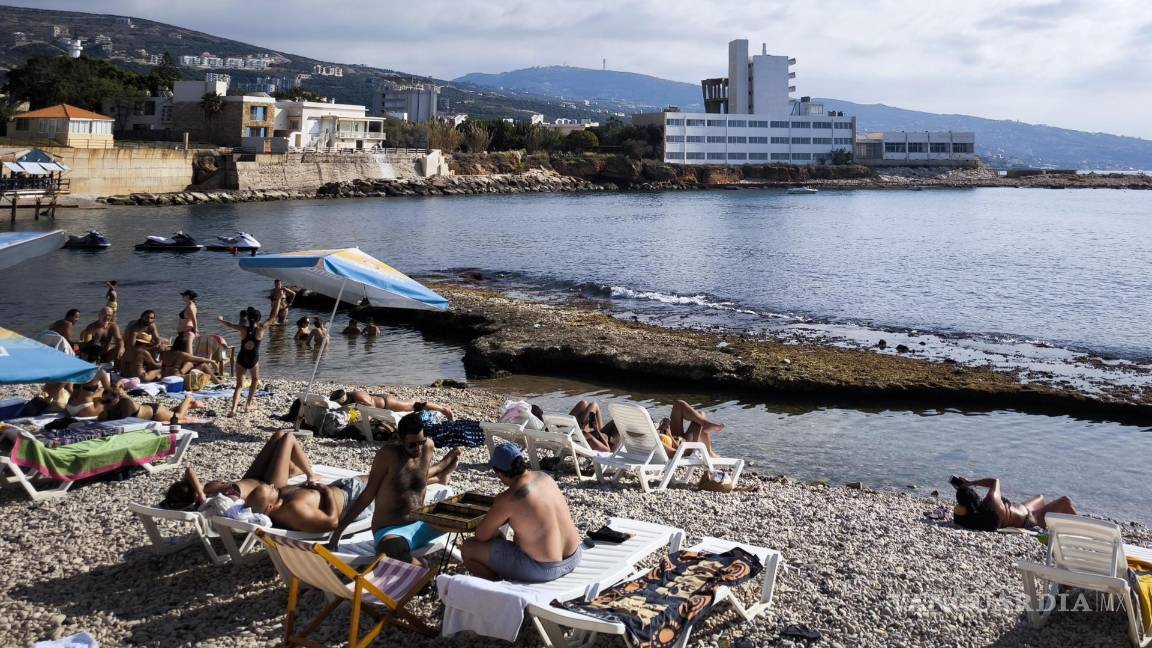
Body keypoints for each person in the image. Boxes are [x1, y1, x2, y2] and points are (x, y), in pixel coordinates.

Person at [327, 412, 460, 562]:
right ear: (400, 440)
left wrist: (445, 463)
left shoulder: (428, 447)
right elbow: (368, 494)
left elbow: (418, 477)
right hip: (391, 530)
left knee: (473, 519)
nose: (418, 448)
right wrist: (338, 532)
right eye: (412, 445)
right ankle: (423, 573)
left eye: (420, 442)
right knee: (393, 555)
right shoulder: (387, 456)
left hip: (421, 523)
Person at [461, 443, 583, 583]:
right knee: (516, 536)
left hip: (545, 570)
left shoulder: (509, 498)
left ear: (499, 473)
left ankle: (497, 591)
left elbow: (481, 536)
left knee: (468, 548)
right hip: (574, 556)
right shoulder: (544, 477)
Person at [163, 430, 316, 507]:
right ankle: (310, 474)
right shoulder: (211, 503)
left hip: (254, 477)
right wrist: (202, 498)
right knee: (288, 437)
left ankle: (293, 470)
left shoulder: (204, 490)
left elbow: (189, 470)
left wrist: (201, 491)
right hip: (270, 486)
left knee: (279, 434)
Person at [951, 476, 1077, 531]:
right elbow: (995, 481)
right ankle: (1083, 530)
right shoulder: (991, 501)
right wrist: (971, 482)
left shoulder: (974, 514)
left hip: (1023, 510)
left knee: (1040, 497)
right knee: (1065, 501)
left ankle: (1056, 522)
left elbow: (959, 510)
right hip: (1030, 519)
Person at [218, 308, 270, 417]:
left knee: (239, 385)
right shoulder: (261, 329)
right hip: (253, 358)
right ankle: (248, 405)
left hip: (242, 357)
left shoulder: (242, 329)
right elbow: (272, 318)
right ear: (258, 319)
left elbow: (230, 324)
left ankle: (233, 409)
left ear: (248, 318)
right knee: (255, 380)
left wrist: (221, 320)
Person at [99, 385, 206, 423]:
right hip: (147, 409)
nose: (104, 404)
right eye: (103, 401)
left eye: (107, 402)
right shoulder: (112, 404)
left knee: (178, 416)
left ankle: (188, 399)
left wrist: (107, 414)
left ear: (118, 398)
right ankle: (191, 405)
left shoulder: (126, 403)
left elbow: (123, 421)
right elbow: (101, 417)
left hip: (155, 413)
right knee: (170, 411)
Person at [654, 400, 724, 457]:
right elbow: (676, 453)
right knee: (701, 414)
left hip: (674, 436)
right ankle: (709, 451)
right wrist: (669, 435)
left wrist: (659, 426)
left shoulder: (648, 434)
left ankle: (706, 425)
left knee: (679, 404)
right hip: (683, 446)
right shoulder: (656, 443)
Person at [329, 389, 454, 420]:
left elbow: (371, 408)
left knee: (416, 405)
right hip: (382, 405)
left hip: (387, 403)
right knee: (413, 404)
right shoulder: (348, 400)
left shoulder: (357, 395)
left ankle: (444, 409)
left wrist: (357, 407)